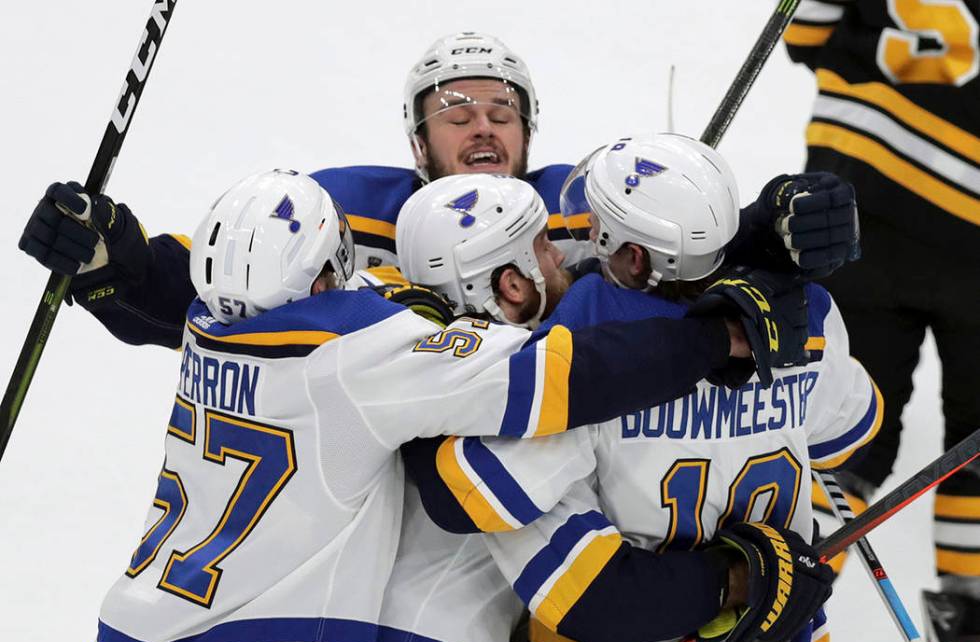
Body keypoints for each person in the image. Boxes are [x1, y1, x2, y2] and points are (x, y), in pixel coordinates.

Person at [82, 168, 803, 642]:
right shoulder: (371, 356)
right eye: (547, 250)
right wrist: (718, 335)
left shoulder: (210, 331)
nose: (565, 262)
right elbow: (565, 375)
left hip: (129, 623)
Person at [17, 31, 861, 350]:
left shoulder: (586, 203)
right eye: (455, 111)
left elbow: (697, 257)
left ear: (530, 134)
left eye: (502, 110)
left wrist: (771, 229)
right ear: (418, 141)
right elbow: (214, 291)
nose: (482, 125)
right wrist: (113, 258)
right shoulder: (341, 207)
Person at [400, 135, 879, 642]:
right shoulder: (805, 312)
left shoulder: (571, 366)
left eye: (597, 229)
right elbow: (851, 433)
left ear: (632, 258)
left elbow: (472, 490)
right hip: (780, 634)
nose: (573, 247)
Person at [783, 3, 980, 642]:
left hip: (856, 217)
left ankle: (775, 606)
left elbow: (802, 32)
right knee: (977, 450)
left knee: (841, 440)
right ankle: (970, 622)